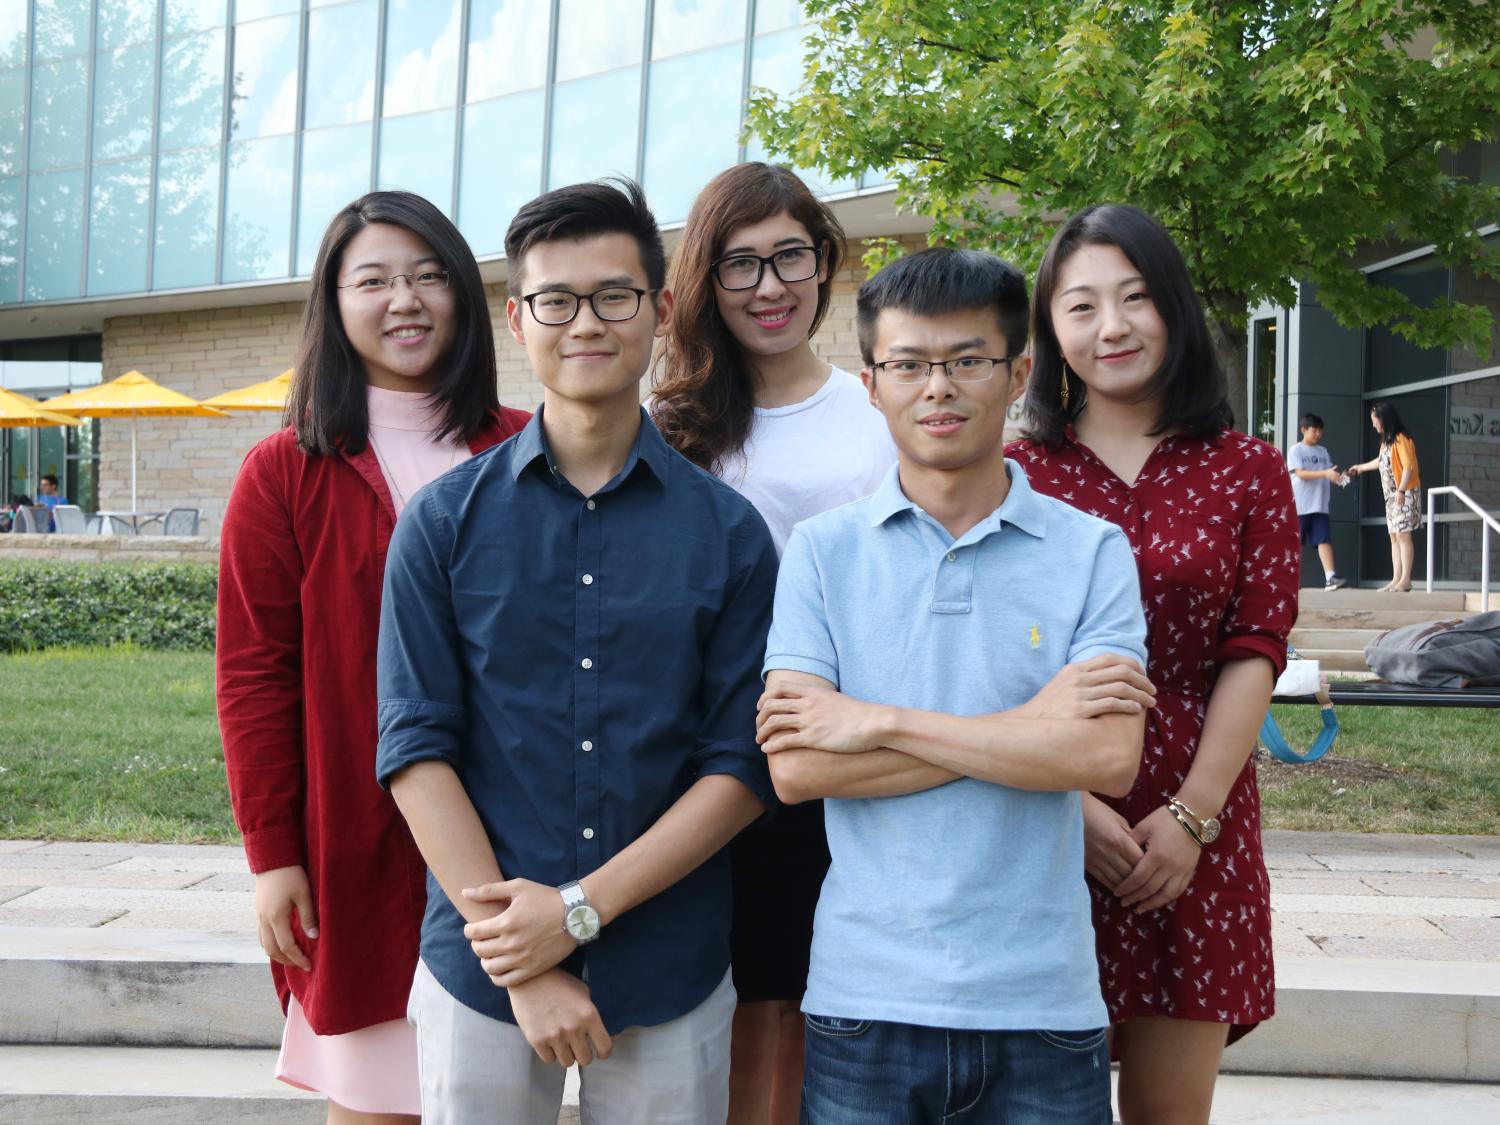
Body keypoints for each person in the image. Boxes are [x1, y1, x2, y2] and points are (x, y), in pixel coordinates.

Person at [375, 178, 780, 1125]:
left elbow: (741, 763)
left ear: (660, 309)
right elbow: (415, 745)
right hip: (484, 963)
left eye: (613, 296)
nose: (584, 322)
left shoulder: (730, 535)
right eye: (555, 300)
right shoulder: (442, 522)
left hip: (669, 956)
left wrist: (578, 913)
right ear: (518, 318)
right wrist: (521, 953)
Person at [756, 246, 1153, 1124]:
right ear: (872, 383)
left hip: (1043, 1005)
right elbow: (797, 770)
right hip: (866, 999)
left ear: (1017, 373)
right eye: (909, 364)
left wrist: (875, 720)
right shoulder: (822, 552)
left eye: (967, 360)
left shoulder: (1092, 551)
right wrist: (1029, 732)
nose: (938, 386)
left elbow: (1108, 757)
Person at [216, 190, 530, 1124]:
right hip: (358, 836)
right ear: (335, 302)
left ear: (467, 298)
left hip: (520, 825)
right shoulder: (285, 469)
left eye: (431, 275)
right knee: (380, 1098)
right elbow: (254, 675)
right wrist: (274, 855)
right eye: (376, 280)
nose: (407, 299)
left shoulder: (525, 447)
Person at [1007, 203, 1300, 1125]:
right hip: (1042, 810)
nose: (1112, 326)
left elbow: (1255, 648)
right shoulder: (1017, 470)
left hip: (1197, 809)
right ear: (1050, 330)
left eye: (1134, 298)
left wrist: (1190, 819)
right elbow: (986, 658)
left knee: (1171, 1113)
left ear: (1171, 308)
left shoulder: (1249, 468)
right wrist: (1070, 808)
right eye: (1081, 305)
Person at [650, 161, 896, 1125]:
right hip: (701, 757)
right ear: (705, 284)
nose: (768, 286)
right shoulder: (671, 427)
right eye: (739, 264)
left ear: (824, 261)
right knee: (724, 1014)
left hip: (843, 753)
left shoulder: (880, 411)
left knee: (796, 1010)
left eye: (789, 255)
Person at [1347, 400, 1421, 592]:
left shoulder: (1401, 438)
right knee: (1394, 537)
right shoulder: (1387, 441)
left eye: (1374, 420)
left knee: (1403, 535)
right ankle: (1396, 578)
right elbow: (1380, 462)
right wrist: (1360, 468)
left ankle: (1405, 579)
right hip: (1391, 497)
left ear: (1384, 419)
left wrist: (1401, 490)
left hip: (1403, 494)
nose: (1373, 424)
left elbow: (1408, 467)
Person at [1287, 413, 1348, 589]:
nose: (1318, 434)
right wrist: (1326, 473)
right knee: (1296, 543)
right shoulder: (1296, 450)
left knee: (1324, 540)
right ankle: (1292, 580)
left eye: (1320, 430)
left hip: (1320, 504)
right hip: (1300, 505)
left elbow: (1331, 474)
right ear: (1303, 430)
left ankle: (1330, 577)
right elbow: (1300, 474)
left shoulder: (1323, 451)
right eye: (1314, 430)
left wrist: (1342, 477)